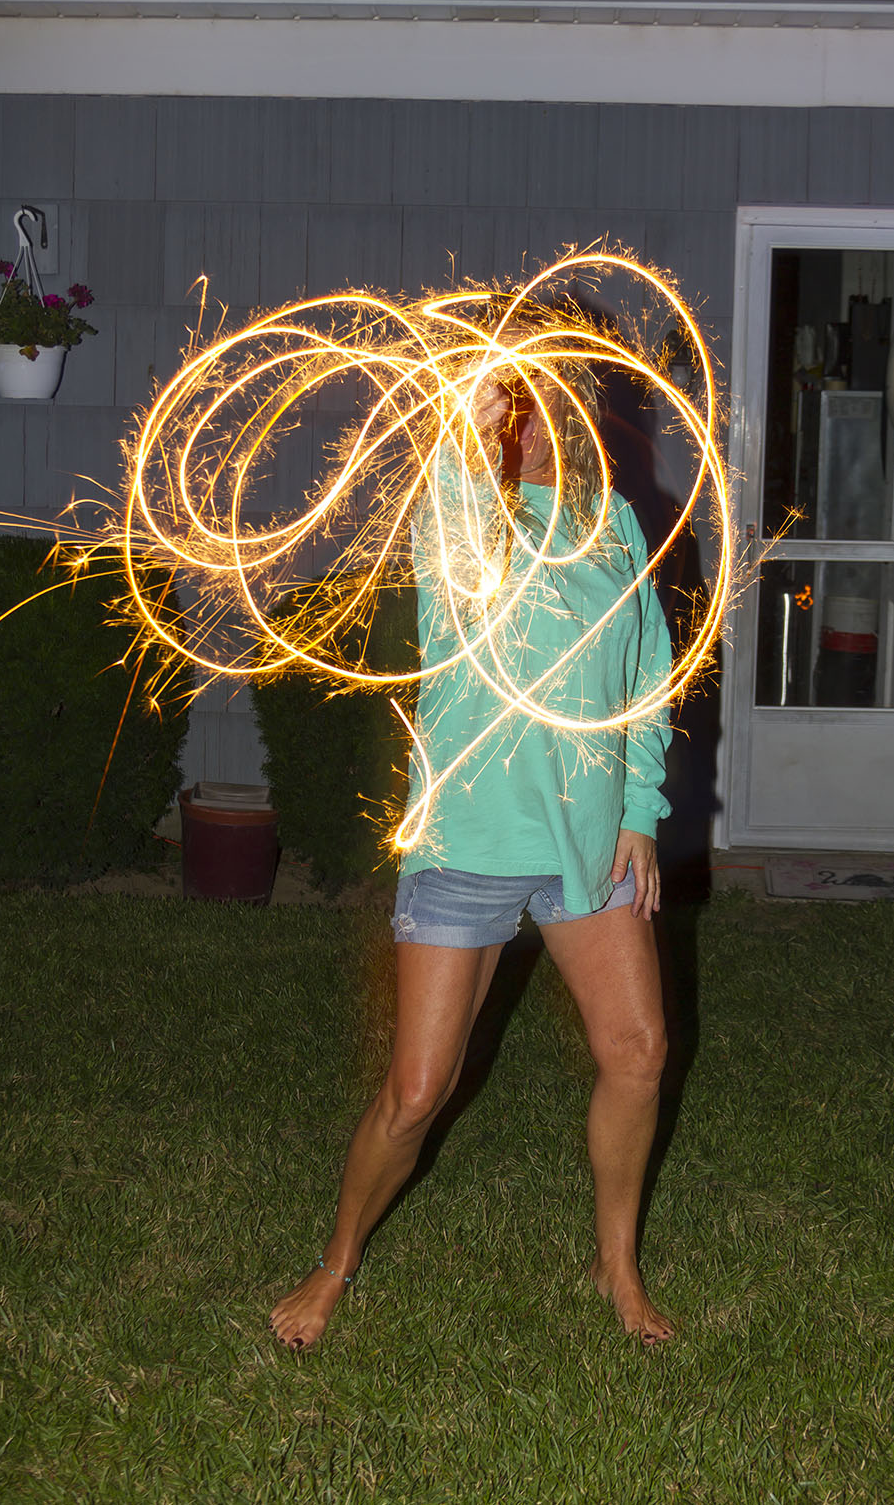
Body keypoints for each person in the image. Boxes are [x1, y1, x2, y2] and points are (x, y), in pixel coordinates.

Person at [270, 341, 676, 1348]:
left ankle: (616, 1266)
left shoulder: (614, 523)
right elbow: (457, 501)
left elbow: (646, 676)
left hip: (588, 843)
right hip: (469, 842)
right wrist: (471, 421)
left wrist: (638, 808)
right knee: (416, 1094)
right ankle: (335, 1262)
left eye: (549, 402)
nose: (533, 423)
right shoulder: (460, 514)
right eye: (515, 403)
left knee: (638, 1054)